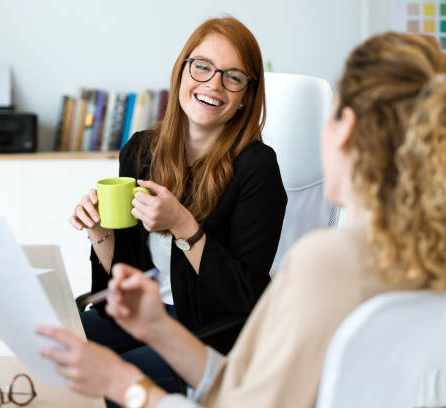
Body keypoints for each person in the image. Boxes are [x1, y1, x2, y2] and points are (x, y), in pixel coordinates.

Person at [40, 32, 446, 407]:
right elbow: (243, 384)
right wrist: (157, 328)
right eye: (202, 68)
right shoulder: (443, 262)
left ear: (347, 130)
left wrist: (121, 384)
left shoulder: (326, 260)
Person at [68, 17, 287, 395]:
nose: (213, 85)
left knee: (106, 381)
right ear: (182, 70)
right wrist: (99, 232)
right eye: (202, 67)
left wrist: (185, 228)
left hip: (209, 336)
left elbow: (245, 298)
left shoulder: (257, 167)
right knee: (56, 346)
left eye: (233, 77)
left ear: (245, 97)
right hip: (143, 316)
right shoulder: (140, 151)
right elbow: (127, 277)